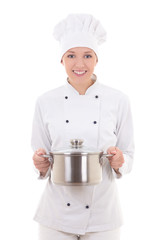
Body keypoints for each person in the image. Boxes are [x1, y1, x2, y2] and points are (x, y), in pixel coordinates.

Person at [31, 14, 134, 240]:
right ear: (61, 60)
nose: (79, 64)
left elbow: (128, 154)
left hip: (103, 215)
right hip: (56, 216)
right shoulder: (45, 101)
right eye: (71, 56)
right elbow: (42, 157)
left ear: (97, 59)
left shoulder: (118, 100)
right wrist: (39, 164)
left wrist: (120, 162)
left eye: (87, 55)